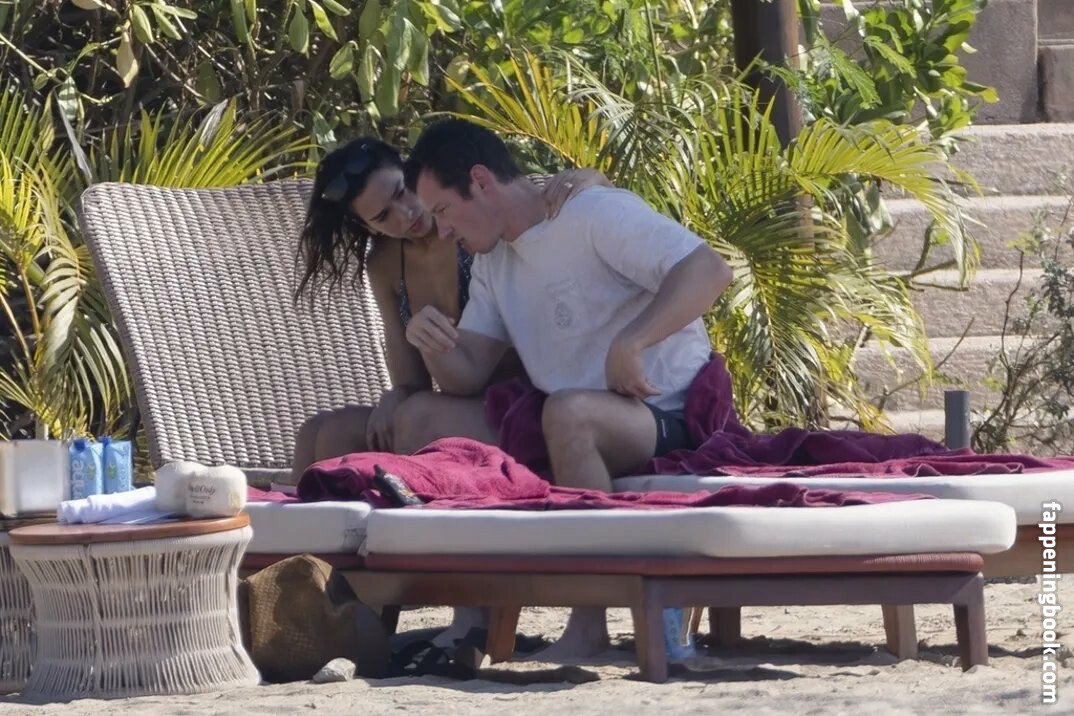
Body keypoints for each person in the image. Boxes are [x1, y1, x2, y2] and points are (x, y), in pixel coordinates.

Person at [404, 118, 733, 659]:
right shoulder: (492, 262)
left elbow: (709, 269)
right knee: (422, 418)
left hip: (666, 412)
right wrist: (431, 341)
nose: (441, 231)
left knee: (570, 414)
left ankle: (588, 624)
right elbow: (467, 374)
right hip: (565, 414)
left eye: (442, 211)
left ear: (480, 181)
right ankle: (472, 619)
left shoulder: (592, 213)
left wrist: (634, 340)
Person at [290, 137, 609, 482]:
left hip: (527, 399)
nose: (405, 213)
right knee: (321, 433)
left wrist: (592, 178)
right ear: (367, 226)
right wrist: (397, 394)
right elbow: (411, 380)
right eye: (382, 216)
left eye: (402, 191)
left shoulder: (471, 223)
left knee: (415, 415)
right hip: (459, 404)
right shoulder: (385, 265)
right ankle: (321, 517)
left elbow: (531, 201)